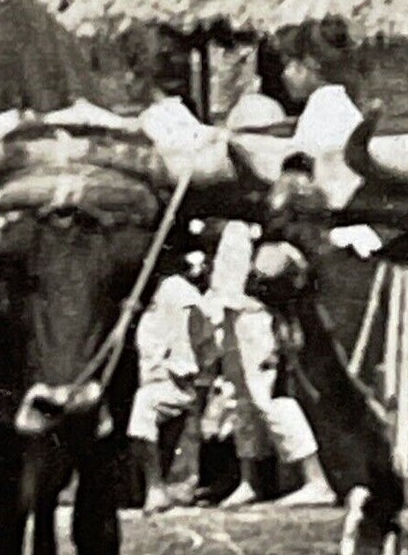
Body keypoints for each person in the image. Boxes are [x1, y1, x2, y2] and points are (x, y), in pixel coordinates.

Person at [208, 218, 337, 509]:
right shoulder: (231, 224)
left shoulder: (262, 228)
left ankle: (316, 480)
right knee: (239, 400)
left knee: (268, 398)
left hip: (254, 316)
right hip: (228, 314)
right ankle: (249, 481)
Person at [125, 246, 213, 515]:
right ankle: (156, 485)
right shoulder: (147, 293)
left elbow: (199, 324)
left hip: (177, 378)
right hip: (154, 376)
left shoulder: (176, 288)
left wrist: (190, 366)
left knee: (145, 408)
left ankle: (156, 488)